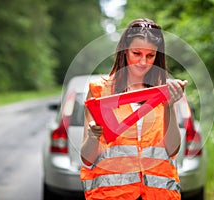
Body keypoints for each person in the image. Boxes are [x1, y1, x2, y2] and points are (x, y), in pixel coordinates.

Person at [80, 18, 187, 200]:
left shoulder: (163, 92)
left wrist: (169, 106)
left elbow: (172, 150)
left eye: (150, 55)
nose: (143, 62)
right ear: (124, 51)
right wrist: (92, 136)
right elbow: (87, 159)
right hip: (111, 196)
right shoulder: (99, 92)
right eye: (136, 53)